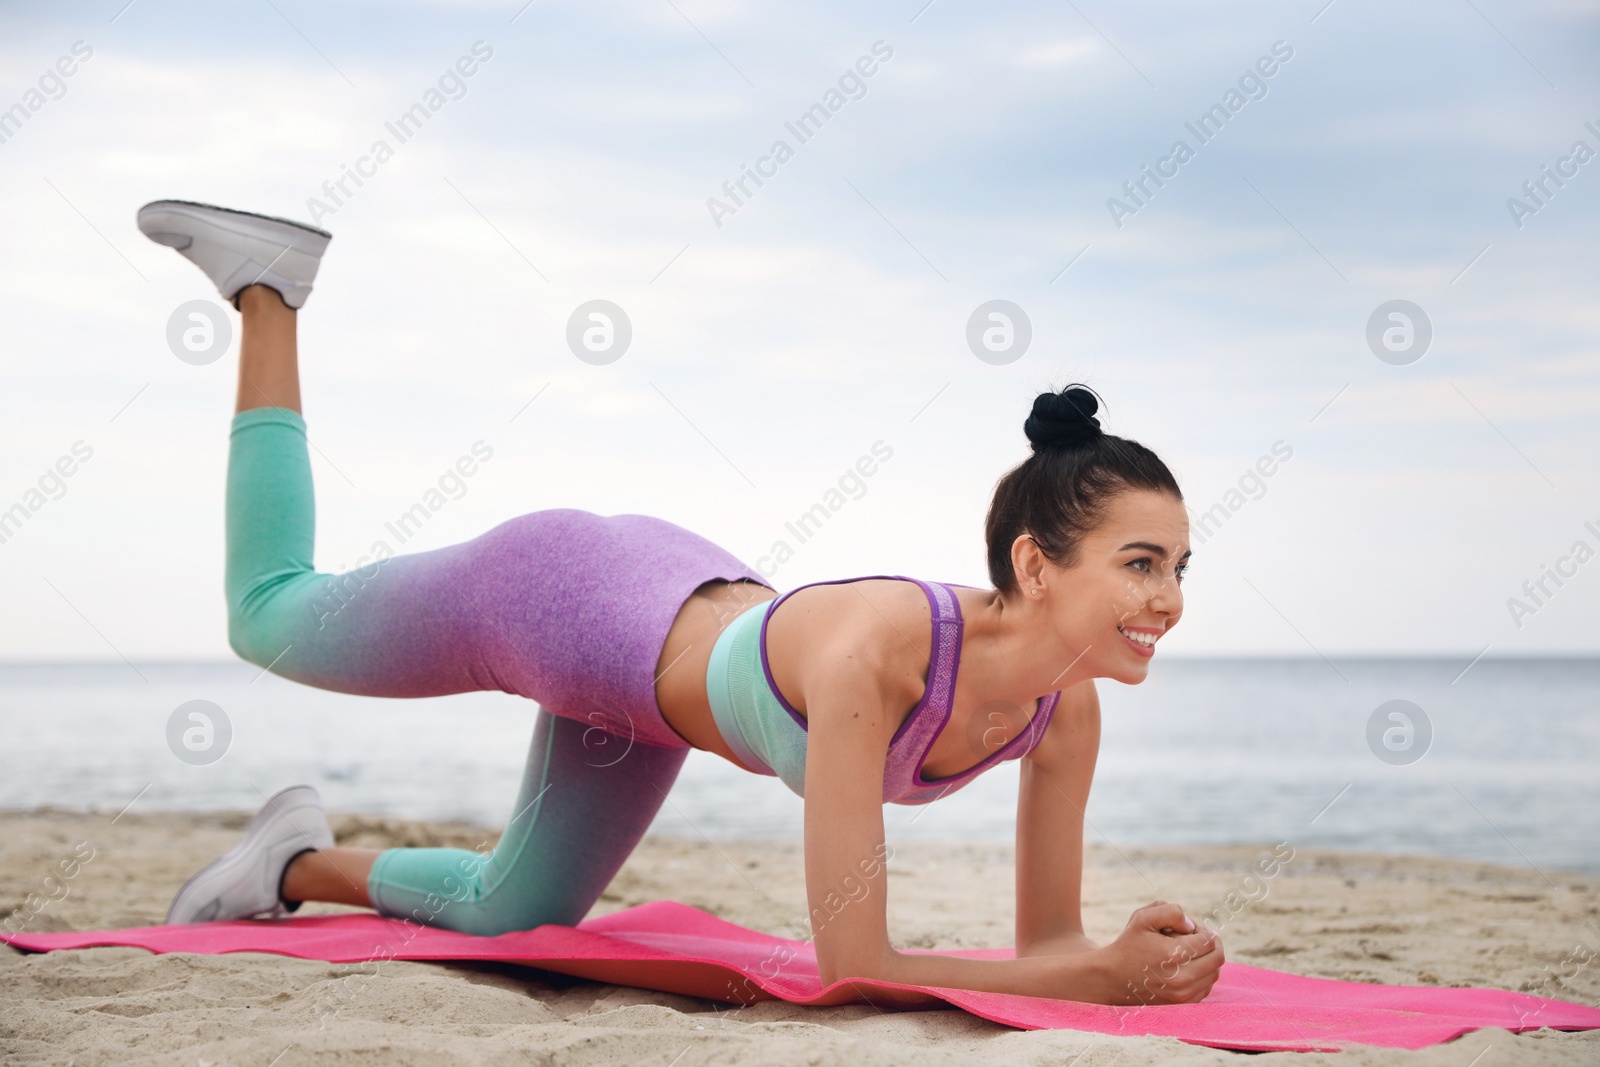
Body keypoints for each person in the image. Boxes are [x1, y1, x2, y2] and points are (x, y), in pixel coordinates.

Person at [136, 199, 1222, 1005]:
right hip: (566, 602)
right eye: (1139, 563)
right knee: (269, 612)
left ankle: (287, 860)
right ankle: (269, 291)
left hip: (658, 662)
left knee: (518, 912)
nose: (1166, 598)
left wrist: (1102, 956)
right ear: (1035, 566)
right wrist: (1094, 983)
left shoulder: (1063, 706)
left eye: (1177, 565)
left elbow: (1041, 954)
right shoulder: (878, 658)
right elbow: (852, 966)